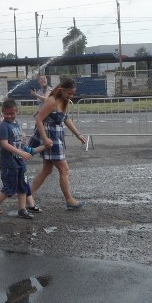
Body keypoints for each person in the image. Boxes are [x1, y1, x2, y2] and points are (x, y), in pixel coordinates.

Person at [28, 76, 87, 210]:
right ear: (61, 90)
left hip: (56, 136)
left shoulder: (63, 101)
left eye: (73, 93)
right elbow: (38, 119)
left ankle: (29, 195)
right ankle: (69, 200)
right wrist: (45, 139)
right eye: (69, 93)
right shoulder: (51, 101)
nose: (71, 96)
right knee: (64, 169)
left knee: (47, 170)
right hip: (50, 137)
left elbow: (65, 119)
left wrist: (78, 134)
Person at [0, 100, 44, 221]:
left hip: (19, 161)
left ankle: (22, 209)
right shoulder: (3, 126)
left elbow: (17, 138)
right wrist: (21, 152)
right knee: (9, 188)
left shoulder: (16, 123)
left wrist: (22, 137)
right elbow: (4, 144)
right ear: (3, 113)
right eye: (7, 114)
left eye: (12, 113)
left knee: (22, 186)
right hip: (9, 163)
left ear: (17, 112)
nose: (10, 116)